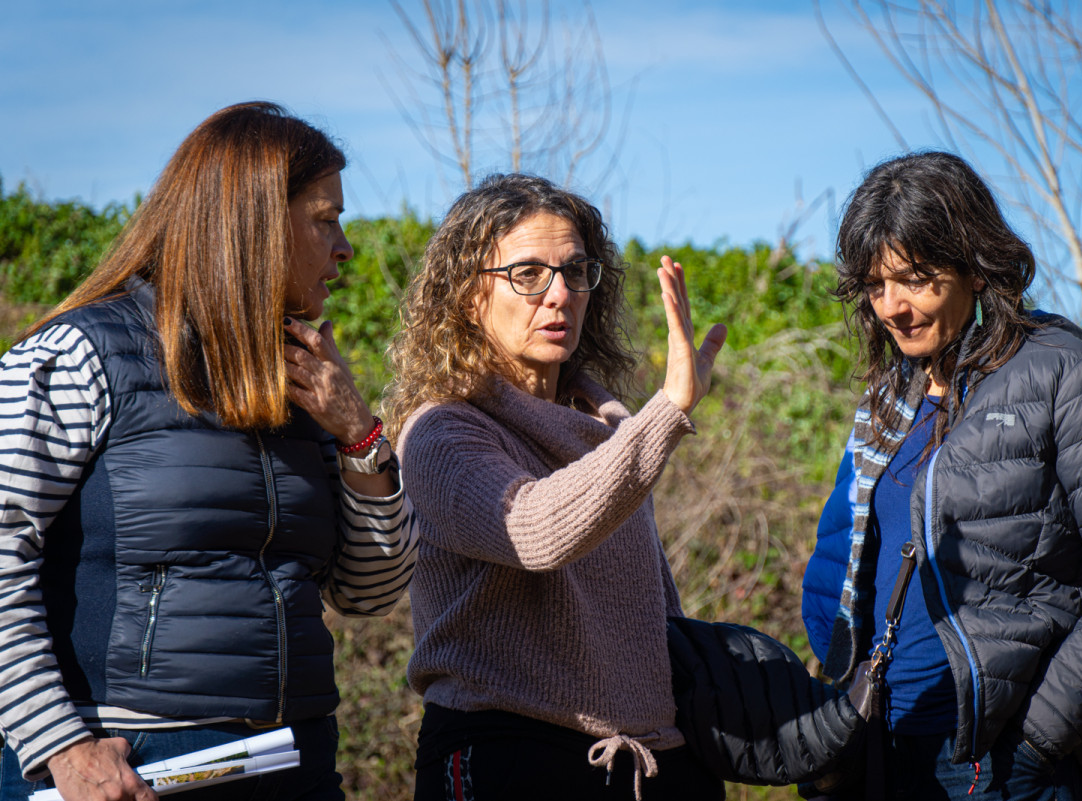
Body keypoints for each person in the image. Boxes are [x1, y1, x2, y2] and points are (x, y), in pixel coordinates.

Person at [0, 102, 419, 801]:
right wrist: (60, 745)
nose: (344, 247)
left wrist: (358, 433)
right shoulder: (78, 354)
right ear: (252, 223)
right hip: (122, 770)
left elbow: (369, 591)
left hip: (294, 760)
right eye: (325, 219)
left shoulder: (308, 380)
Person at [800, 151, 1082, 800]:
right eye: (875, 285)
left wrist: (1039, 736)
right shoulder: (887, 399)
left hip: (991, 763)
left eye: (916, 278)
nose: (892, 306)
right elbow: (845, 558)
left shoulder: (1065, 373)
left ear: (976, 268)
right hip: (873, 745)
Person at [382, 173, 727, 801]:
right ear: (466, 297)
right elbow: (532, 530)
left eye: (574, 271)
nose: (559, 294)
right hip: (508, 754)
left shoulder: (605, 427)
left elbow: (652, 609)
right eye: (528, 274)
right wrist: (669, 409)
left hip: (651, 759)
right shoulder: (440, 431)